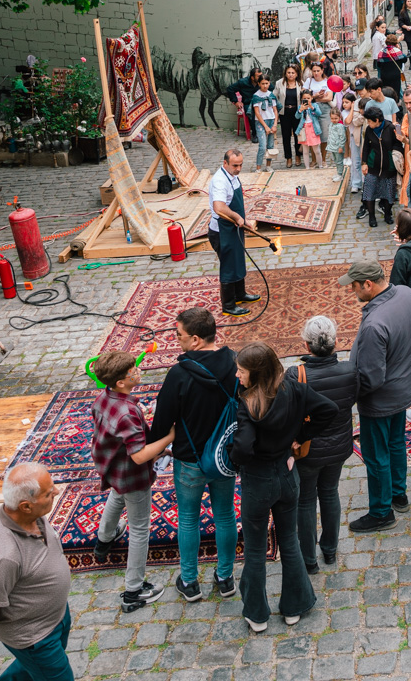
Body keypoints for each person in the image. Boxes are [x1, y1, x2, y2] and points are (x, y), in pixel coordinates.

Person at [230, 342, 337, 632]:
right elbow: (329, 409)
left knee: (254, 549)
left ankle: (257, 613)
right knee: (289, 540)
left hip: (258, 481)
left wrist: (235, 459)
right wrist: (300, 437)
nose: (237, 376)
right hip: (288, 475)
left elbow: (242, 447)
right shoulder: (294, 389)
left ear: (256, 374)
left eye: (241, 372)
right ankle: (294, 606)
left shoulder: (249, 404)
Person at [146, 308, 239, 601]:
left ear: (196, 340)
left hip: (189, 458)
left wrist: (152, 448)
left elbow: (162, 420)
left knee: (188, 519)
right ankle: (225, 578)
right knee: (225, 515)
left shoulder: (179, 374)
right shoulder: (236, 363)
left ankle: (189, 582)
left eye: (180, 336)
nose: (177, 341)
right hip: (224, 455)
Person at [0, 463, 71, 678]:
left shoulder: (30, 516)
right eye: (48, 492)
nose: (56, 492)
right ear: (26, 506)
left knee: (29, 670)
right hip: (36, 639)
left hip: (56, 617)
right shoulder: (4, 556)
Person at [88, 352, 173, 612]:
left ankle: (104, 539)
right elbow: (139, 457)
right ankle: (133, 591)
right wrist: (170, 438)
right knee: (138, 529)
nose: (138, 372)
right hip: (132, 474)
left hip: (112, 466)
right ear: (122, 382)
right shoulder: (126, 412)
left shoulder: (104, 397)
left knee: (117, 495)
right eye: (133, 371)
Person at [342, 259, 411, 531]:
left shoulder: (375, 323)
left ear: (368, 284)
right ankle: (399, 494)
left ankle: (380, 512)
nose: (353, 291)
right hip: (404, 389)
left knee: (376, 455)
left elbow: (371, 377)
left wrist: (349, 397)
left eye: (354, 286)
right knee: (397, 443)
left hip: (380, 400)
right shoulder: (409, 294)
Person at [292, 317, 357, 575]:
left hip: (308, 450)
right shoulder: (350, 371)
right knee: (330, 492)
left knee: (305, 500)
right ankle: (330, 549)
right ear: (335, 343)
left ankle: (309, 558)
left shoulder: (296, 375)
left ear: (307, 346)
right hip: (339, 446)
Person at [209, 149, 259, 316]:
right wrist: (238, 217)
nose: (238, 169)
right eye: (235, 165)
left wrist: (244, 220)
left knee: (237, 261)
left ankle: (240, 294)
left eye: (240, 165)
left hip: (234, 228)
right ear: (225, 163)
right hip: (222, 231)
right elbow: (219, 207)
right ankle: (229, 305)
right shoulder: (219, 181)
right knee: (229, 267)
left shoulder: (232, 175)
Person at [360, 106, 401, 228]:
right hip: (373, 166)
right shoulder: (369, 130)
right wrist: (364, 163)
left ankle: (388, 214)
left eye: (370, 121)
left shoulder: (391, 128)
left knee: (389, 194)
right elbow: (366, 147)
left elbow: (399, 145)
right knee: (369, 193)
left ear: (377, 120)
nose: (368, 123)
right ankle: (372, 216)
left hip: (389, 167)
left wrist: (393, 158)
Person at [249, 75, 277, 169]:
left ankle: (268, 166)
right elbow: (257, 112)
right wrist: (265, 126)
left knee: (270, 146)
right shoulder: (256, 96)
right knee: (262, 146)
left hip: (271, 120)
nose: (265, 85)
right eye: (263, 83)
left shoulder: (271, 95)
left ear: (269, 83)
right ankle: (258, 167)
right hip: (261, 122)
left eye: (266, 83)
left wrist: (275, 124)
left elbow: (275, 110)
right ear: (259, 84)